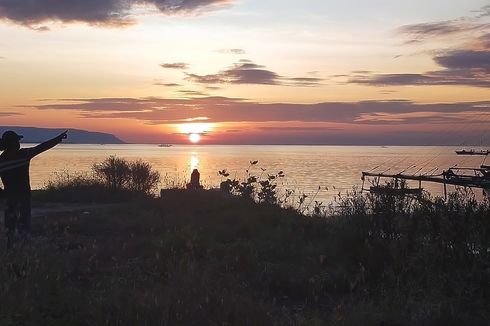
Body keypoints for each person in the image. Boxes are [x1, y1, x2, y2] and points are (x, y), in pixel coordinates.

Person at [0, 130, 68, 247]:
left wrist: (2, 194)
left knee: (10, 228)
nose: (19, 143)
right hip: (23, 197)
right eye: (17, 141)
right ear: (12, 143)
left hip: (9, 198)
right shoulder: (23, 154)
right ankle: (23, 250)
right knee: (24, 227)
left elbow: (41, 147)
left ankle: (11, 251)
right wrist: (58, 139)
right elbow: (42, 147)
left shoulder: (2, 160)